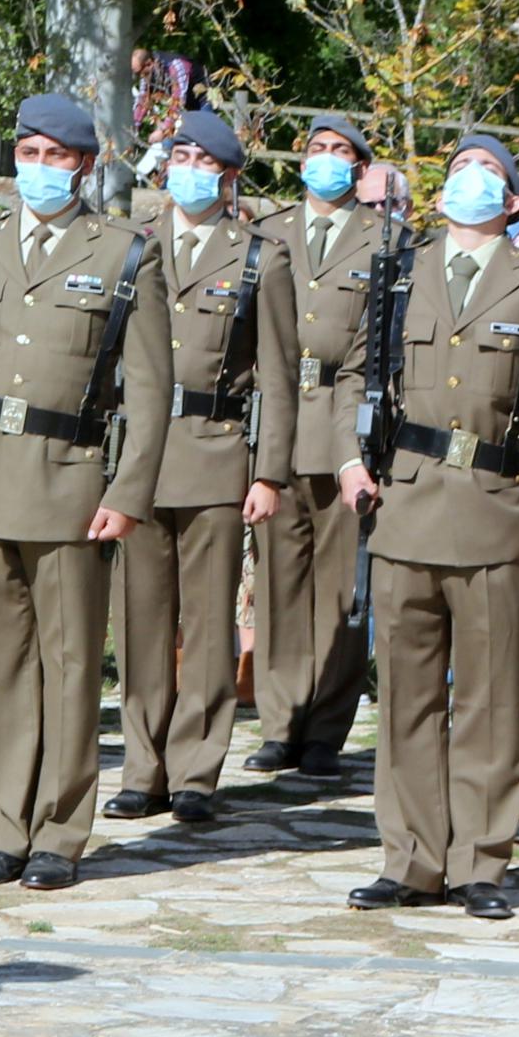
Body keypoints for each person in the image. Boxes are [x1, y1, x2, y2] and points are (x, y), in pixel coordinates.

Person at [0, 91, 171, 890]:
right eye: (25, 153)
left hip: (68, 480)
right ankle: (5, 826)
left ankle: (59, 831)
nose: (35, 168)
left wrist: (127, 490)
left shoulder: (124, 252)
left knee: (65, 665)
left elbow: (153, 388)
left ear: (84, 166)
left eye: (52, 157)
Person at [336, 134, 519, 917]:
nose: (469, 181)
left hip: (493, 505)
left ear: (513, 200)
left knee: (486, 697)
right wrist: (348, 457)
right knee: (404, 695)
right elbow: (356, 375)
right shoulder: (398, 271)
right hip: (406, 502)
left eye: (488, 173)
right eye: (457, 171)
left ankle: (479, 861)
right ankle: (410, 857)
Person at [107, 109, 293, 829]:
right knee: (140, 619)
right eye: (176, 154)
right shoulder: (134, 247)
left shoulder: (258, 257)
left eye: (199, 158)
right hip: (139, 457)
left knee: (209, 623)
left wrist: (268, 471)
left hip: (216, 450)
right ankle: (140, 765)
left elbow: (276, 375)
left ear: (227, 175)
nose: (183, 167)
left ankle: (194, 770)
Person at [248, 112, 383, 783]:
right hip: (277, 420)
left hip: (342, 423)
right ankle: (279, 722)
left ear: (360, 169)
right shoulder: (267, 232)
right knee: (277, 583)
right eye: (316, 148)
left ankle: (327, 727)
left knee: (339, 588)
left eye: (340, 151)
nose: (325, 158)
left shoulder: (383, 239)